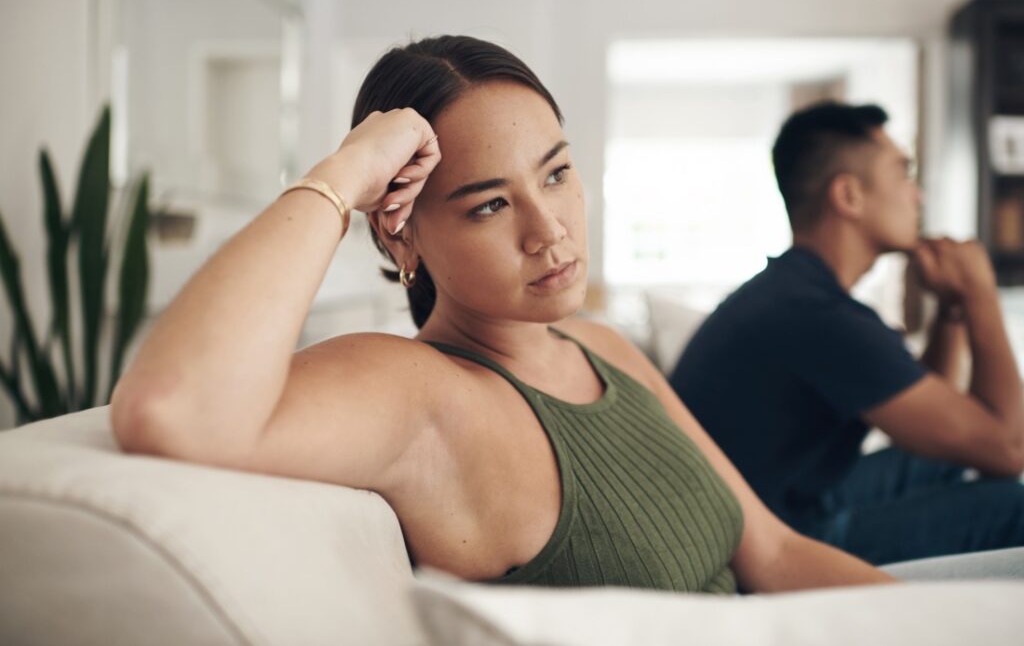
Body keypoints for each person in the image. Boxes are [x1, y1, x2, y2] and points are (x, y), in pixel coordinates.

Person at [110, 36, 891, 594]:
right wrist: (344, 176)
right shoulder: (423, 395)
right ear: (401, 227)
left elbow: (779, 555)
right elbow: (174, 408)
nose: (548, 229)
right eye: (489, 204)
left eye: (555, 174)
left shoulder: (601, 347)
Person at [670, 101, 1024, 565]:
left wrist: (953, 308)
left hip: (779, 502)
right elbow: (1008, 448)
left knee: (950, 457)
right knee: (1014, 506)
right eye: (903, 174)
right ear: (849, 196)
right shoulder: (820, 317)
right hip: (773, 541)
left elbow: (935, 414)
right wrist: (981, 291)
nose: (916, 195)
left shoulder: (796, 293)